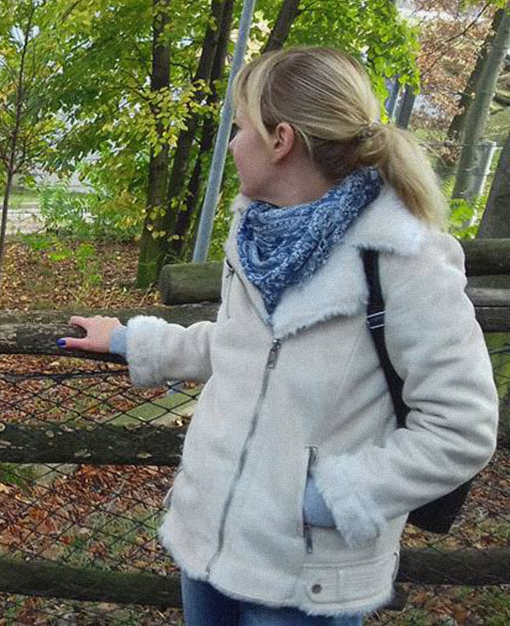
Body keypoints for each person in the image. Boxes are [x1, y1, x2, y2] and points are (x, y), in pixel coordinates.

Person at [59, 46, 498, 624]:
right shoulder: (256, 236)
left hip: (304, 573)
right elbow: (244, 347)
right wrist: (130, 340)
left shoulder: (402, 258)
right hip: (208, 543)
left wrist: (334, 497)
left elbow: (462, 427)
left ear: (280, 139)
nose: (234, 144)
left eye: (240, 128)